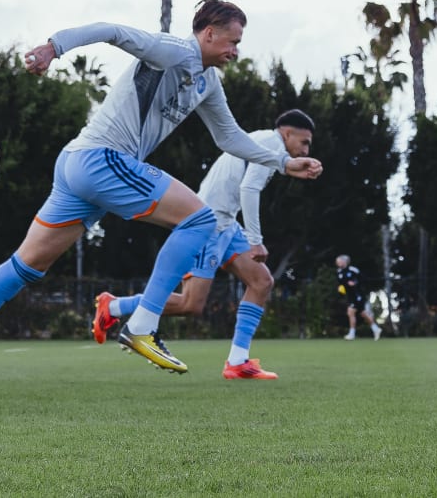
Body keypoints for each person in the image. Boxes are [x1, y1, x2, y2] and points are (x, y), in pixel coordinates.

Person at [0, 0, 323, 394]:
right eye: (232, 41)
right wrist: (53, 47)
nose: (236, 50)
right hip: (100, 160)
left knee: (25, 266)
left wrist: (283, 164)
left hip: (80, 168)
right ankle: (142, 325)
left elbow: (229, 136)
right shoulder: (173, 50)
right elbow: (112, 31)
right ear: (209, 33)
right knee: (200, 219)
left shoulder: (208, 81)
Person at [93, 109, 317, 381]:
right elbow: (249, 189)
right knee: (191, 304)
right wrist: (256, 241)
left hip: (227, 224)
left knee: (261, 282)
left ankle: (237, 362)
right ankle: (114, 307)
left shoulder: (267, 143)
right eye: (304, 142)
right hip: (208, 224)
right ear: (287, 133)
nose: (305, 149)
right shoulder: (271, 143)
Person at [336, 254, 382, 340]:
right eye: (337, 261)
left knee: (350, 312)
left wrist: (355, 283)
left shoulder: (353, 270)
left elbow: (363, 279)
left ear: (345, 261)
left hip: (358, 295)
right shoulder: (339, 272)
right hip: (350, 296)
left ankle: (352, 334)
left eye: (339, 261)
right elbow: (341, 284)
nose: (338, 263)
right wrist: (340, 288)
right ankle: (376, 329)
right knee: (363, 314)